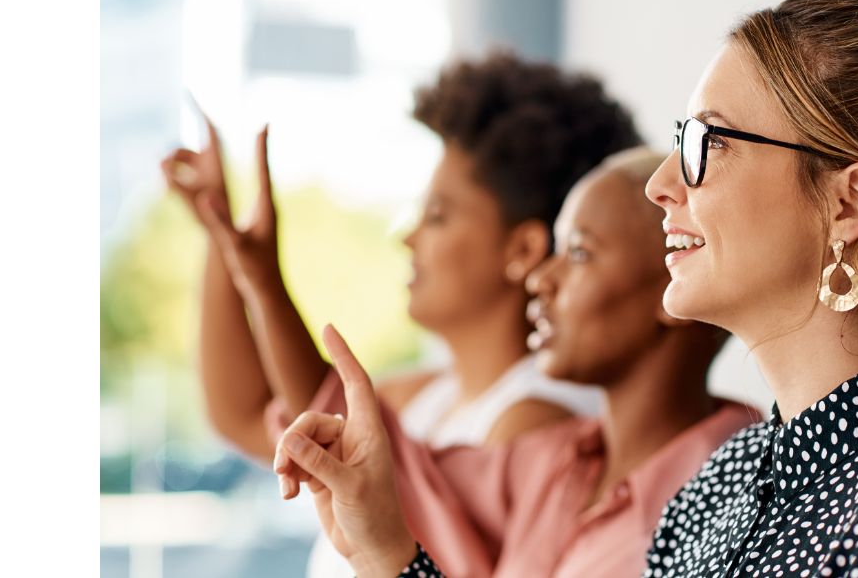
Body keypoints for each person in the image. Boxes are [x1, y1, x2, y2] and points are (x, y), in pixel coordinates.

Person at [272, 0, 858, 577]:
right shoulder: (724, 482)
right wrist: (383, 547)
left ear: (848, 200)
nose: (658, 184)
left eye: (707, 142)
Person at [160, 52, 640, 577]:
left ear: (522, 251)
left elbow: (404, 516)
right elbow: (243, 414)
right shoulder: (423, 398)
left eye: (437, 215)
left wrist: (262, 281)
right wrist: (220, 236)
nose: (408, 237)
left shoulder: (537, 424)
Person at [273, 149, 759, 578]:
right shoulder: (549, 463)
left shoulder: (742, 500)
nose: (540, 280)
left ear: (671, 284)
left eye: (580, 253)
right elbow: (388, 469)